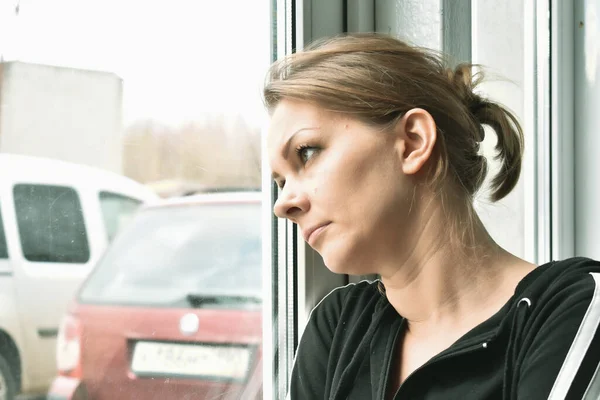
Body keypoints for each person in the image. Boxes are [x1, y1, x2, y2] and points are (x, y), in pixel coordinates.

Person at [264, 33, 600, 400]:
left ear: (412, 142)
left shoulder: (575, 309)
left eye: (307, 152)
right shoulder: (338, 329)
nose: (283, 204)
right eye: (280, 182)